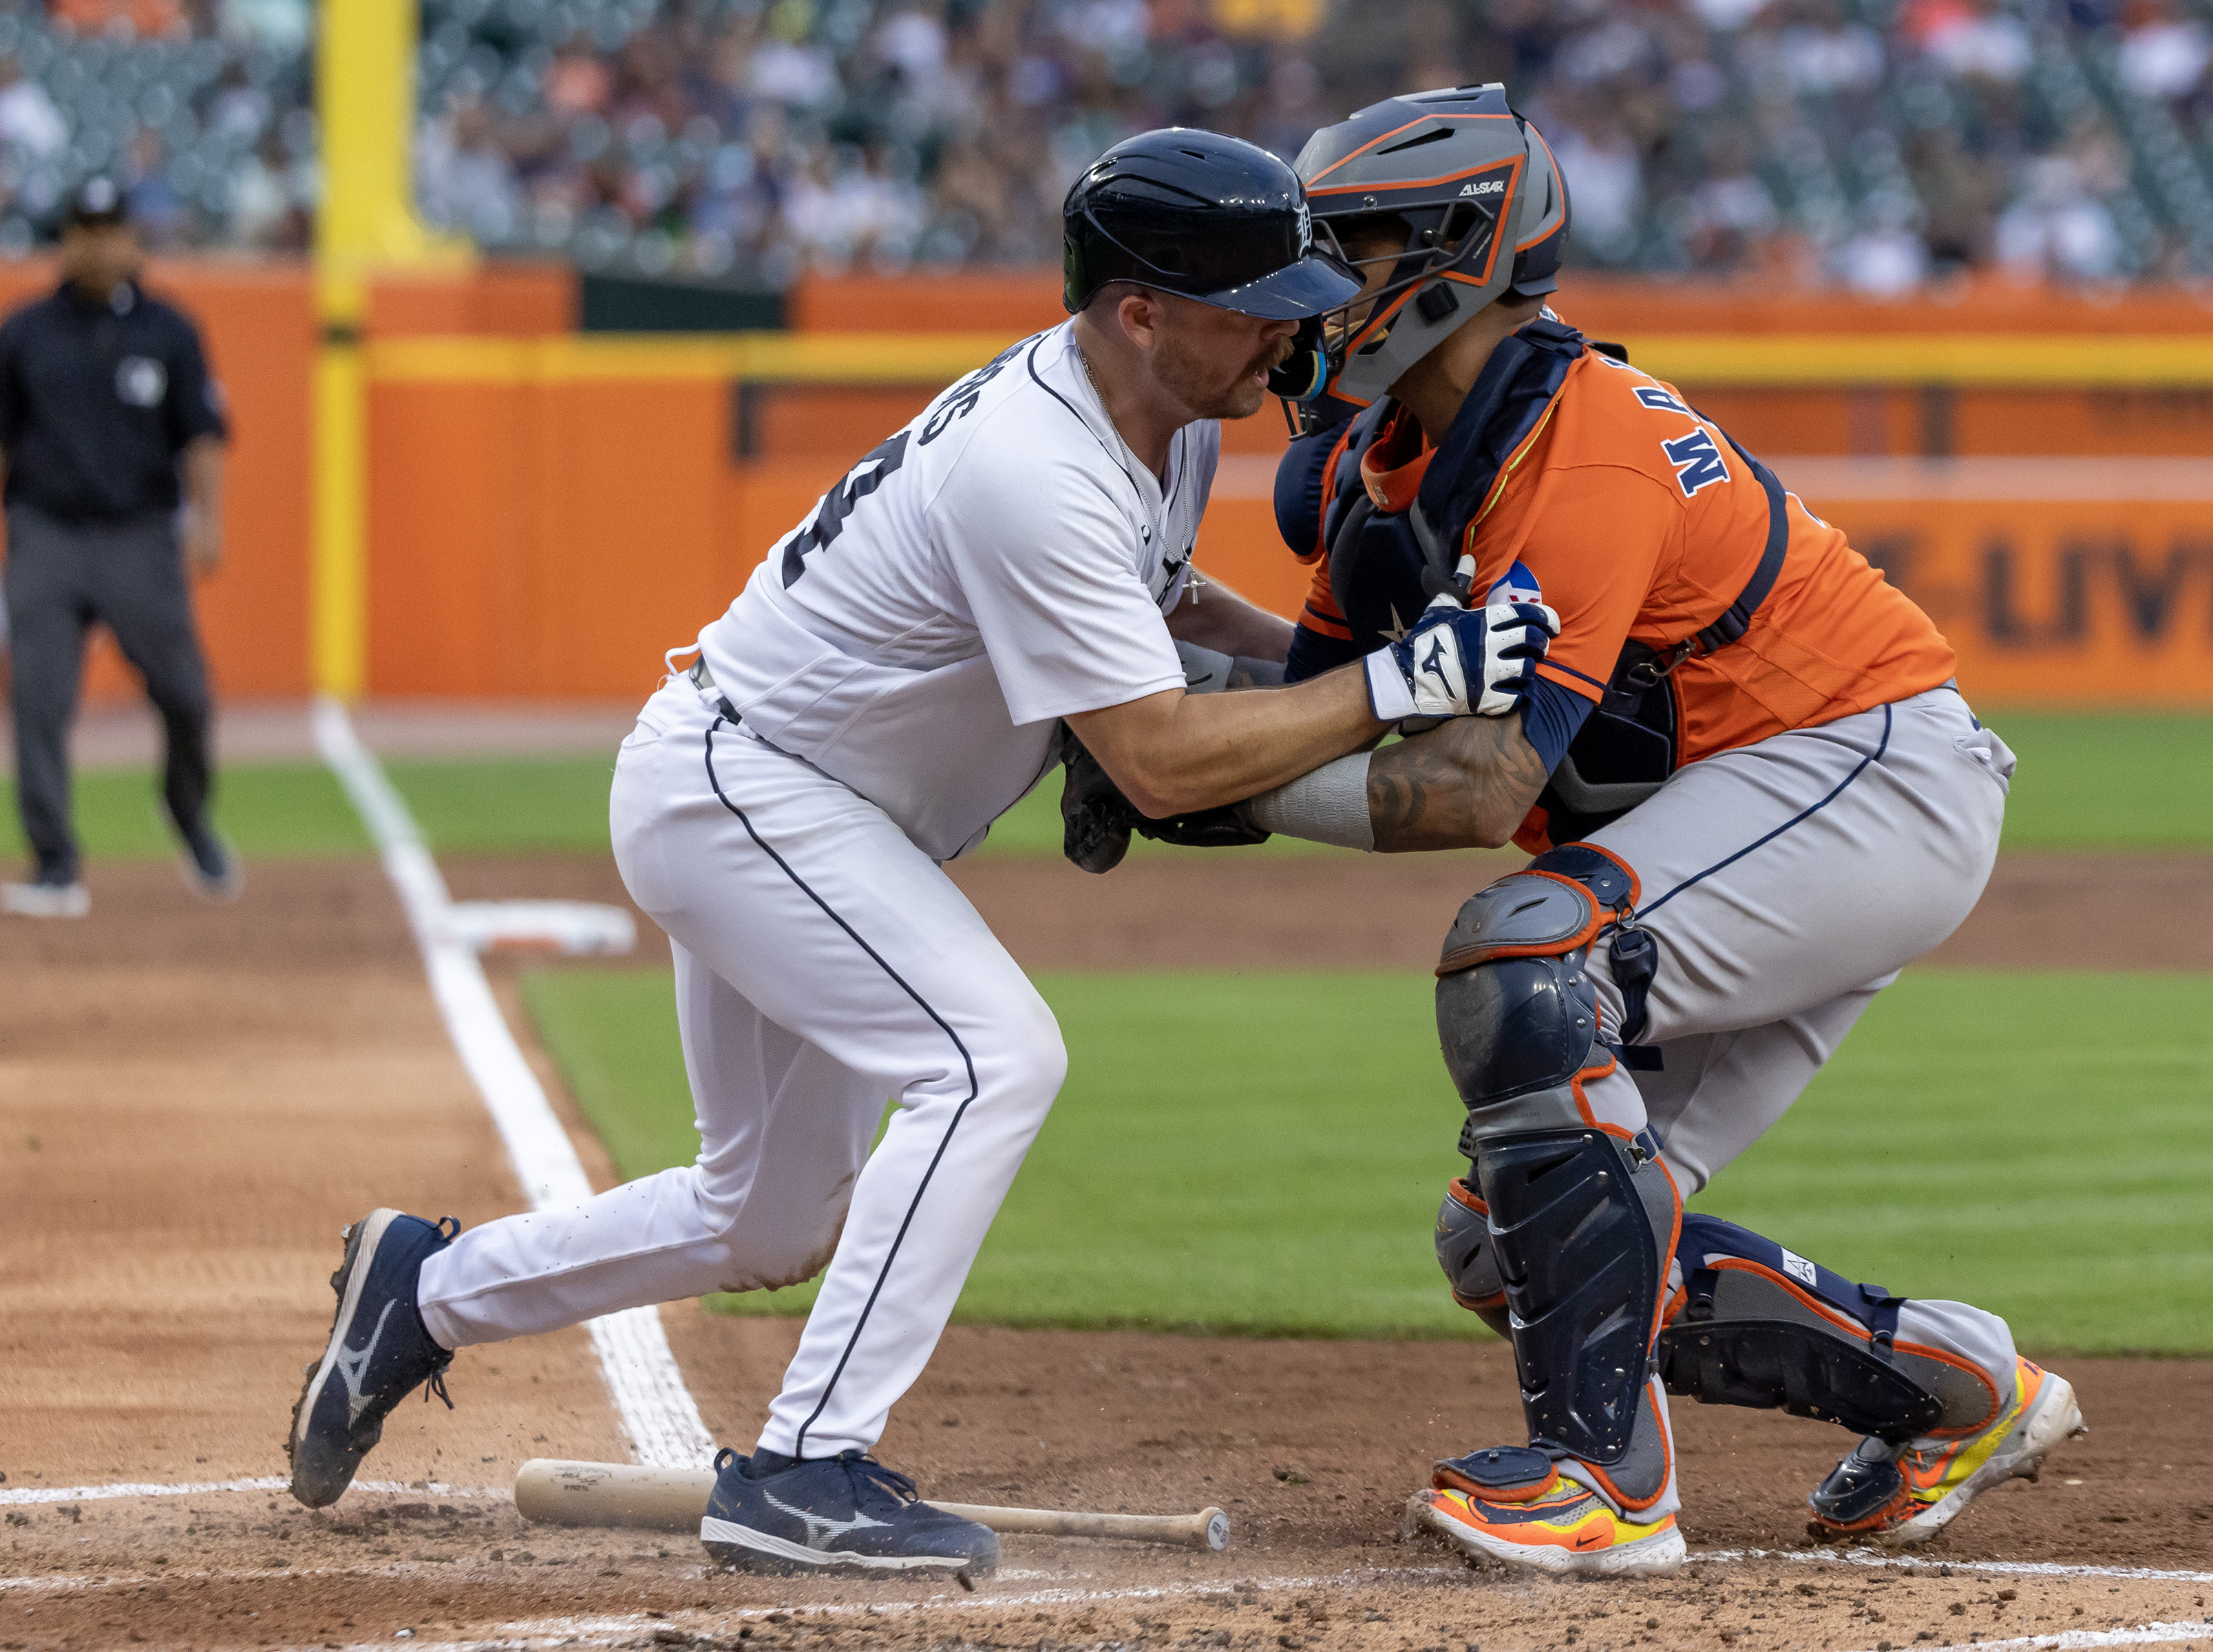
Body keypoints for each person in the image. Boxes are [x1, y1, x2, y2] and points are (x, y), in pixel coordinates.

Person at [284, 129, 1556, 1578]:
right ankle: (809, 1468)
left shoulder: (1171, 415)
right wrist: (1393, 692)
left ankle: (426, 1289)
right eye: (1258, 305)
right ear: (1139, 311)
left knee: (761, 1214)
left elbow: (1164, 598)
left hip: (803, 806)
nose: (1295, 332)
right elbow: (1150, 756)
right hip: (749, 793)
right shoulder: (1036, 464)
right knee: (990, 1055)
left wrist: (1341, 660)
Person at [1211, 86, 2077, 1576]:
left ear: (1454, 253)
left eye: (1344, 252)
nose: (1313, 290)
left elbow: (1477, 791)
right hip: (1747, 812)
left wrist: (1201, 778)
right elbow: (1312, 713)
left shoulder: (1589, 444)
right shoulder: (1387, 469)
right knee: (1518, 1244)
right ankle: (1955, 1393)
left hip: (1864, 769)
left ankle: (1601, 1484)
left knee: (1526, 950)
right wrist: (1150, 720)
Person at [0, 176, 233, 918]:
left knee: (186, 694)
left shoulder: (170, 330)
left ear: (133, 240)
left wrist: (209, 519)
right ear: (66, 240)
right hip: (46, 532)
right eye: (84, 230)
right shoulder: (25, 331)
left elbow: (201, 435)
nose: (98, 245)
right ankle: (55, 862)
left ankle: (185, 808)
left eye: (111, 230)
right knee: (38, 699)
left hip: (139, 534)